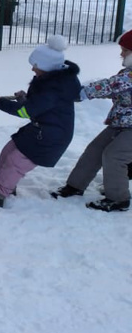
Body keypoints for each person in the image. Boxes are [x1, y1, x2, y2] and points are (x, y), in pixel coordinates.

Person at [0, 35, 81, 208]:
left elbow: (27, 111)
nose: (33, 69)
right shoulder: (49, 80)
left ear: (47, 66)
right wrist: (25, 99)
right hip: (39, 130)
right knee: (6, 154)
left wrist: (0, 102)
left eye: (36, 66)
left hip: (50, 136)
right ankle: (6, 187)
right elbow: (37, 107)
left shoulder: (54, 88)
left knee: (15, 162)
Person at [51, 30, 132, 212]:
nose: (121, 54)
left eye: (125, 50)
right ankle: (75, 186)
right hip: (121, 123)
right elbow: (117, 89)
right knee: (95, 150)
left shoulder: (128, 76)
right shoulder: (127, 73)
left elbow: (111, 85)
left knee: (114, 155)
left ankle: (118, 198)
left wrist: (79, 93)